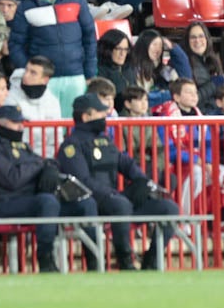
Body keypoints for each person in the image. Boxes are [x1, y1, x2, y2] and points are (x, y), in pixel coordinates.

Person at [54, 95, 180, 271]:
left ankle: (151, 261)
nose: (105, 117)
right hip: (95, 202)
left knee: (169, 208)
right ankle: (125, 261)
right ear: (86, 117)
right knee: (120, 204)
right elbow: (83, 181)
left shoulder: (105, 140)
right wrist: (111, 195)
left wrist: (143, 182)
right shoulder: (71, 145)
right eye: (100, 112)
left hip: (116, 200)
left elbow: (126, 163)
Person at [0, 105, 74, 273]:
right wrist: (40, 165)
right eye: (16, 123)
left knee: (80, 202)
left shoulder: (21, 147)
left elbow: (45, 162)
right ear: (1, 124)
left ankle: (98, 261)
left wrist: (50, 168)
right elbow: (12, 179)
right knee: (47, 202)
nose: (21, 127)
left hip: (28, 201)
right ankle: (45, 257)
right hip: (2, 204)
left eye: (22, 123)